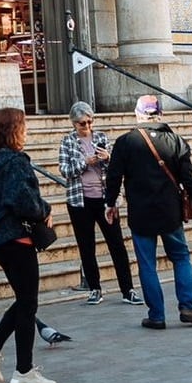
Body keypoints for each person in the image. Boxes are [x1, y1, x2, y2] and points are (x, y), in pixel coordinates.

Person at [0, 107, 58, 383]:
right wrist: (44, 209)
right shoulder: (16, 162)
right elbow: (23, 200)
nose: (27, 131)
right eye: (24, 126)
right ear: (14, 131)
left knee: (24, 300)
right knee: (28, 302)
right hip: (18, 238)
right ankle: (23, 371)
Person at [104, 96, 192, 330]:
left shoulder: (125, 142)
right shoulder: (175, 141)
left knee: (147, 264)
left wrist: (110, 203)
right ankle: (187, 306)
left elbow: (113, 177)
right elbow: (187, 177)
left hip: (140, 213)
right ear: (159, 114)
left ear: (138, 114)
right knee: (181, 257)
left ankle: (157, 315)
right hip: (170, 211)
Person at [58, 102, 140, 306]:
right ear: (74, 123)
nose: (86, 126)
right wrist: (85, 162)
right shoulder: (67, 142)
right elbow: (65, 171)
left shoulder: (101, 137)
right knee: (86, 247)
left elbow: (116, 167)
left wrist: (108, 157)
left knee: (117, 245)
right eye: (82, 123)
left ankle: (127, 289)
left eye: (89, 122)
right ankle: (95, 288)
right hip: (80, 200)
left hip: (105, 199)